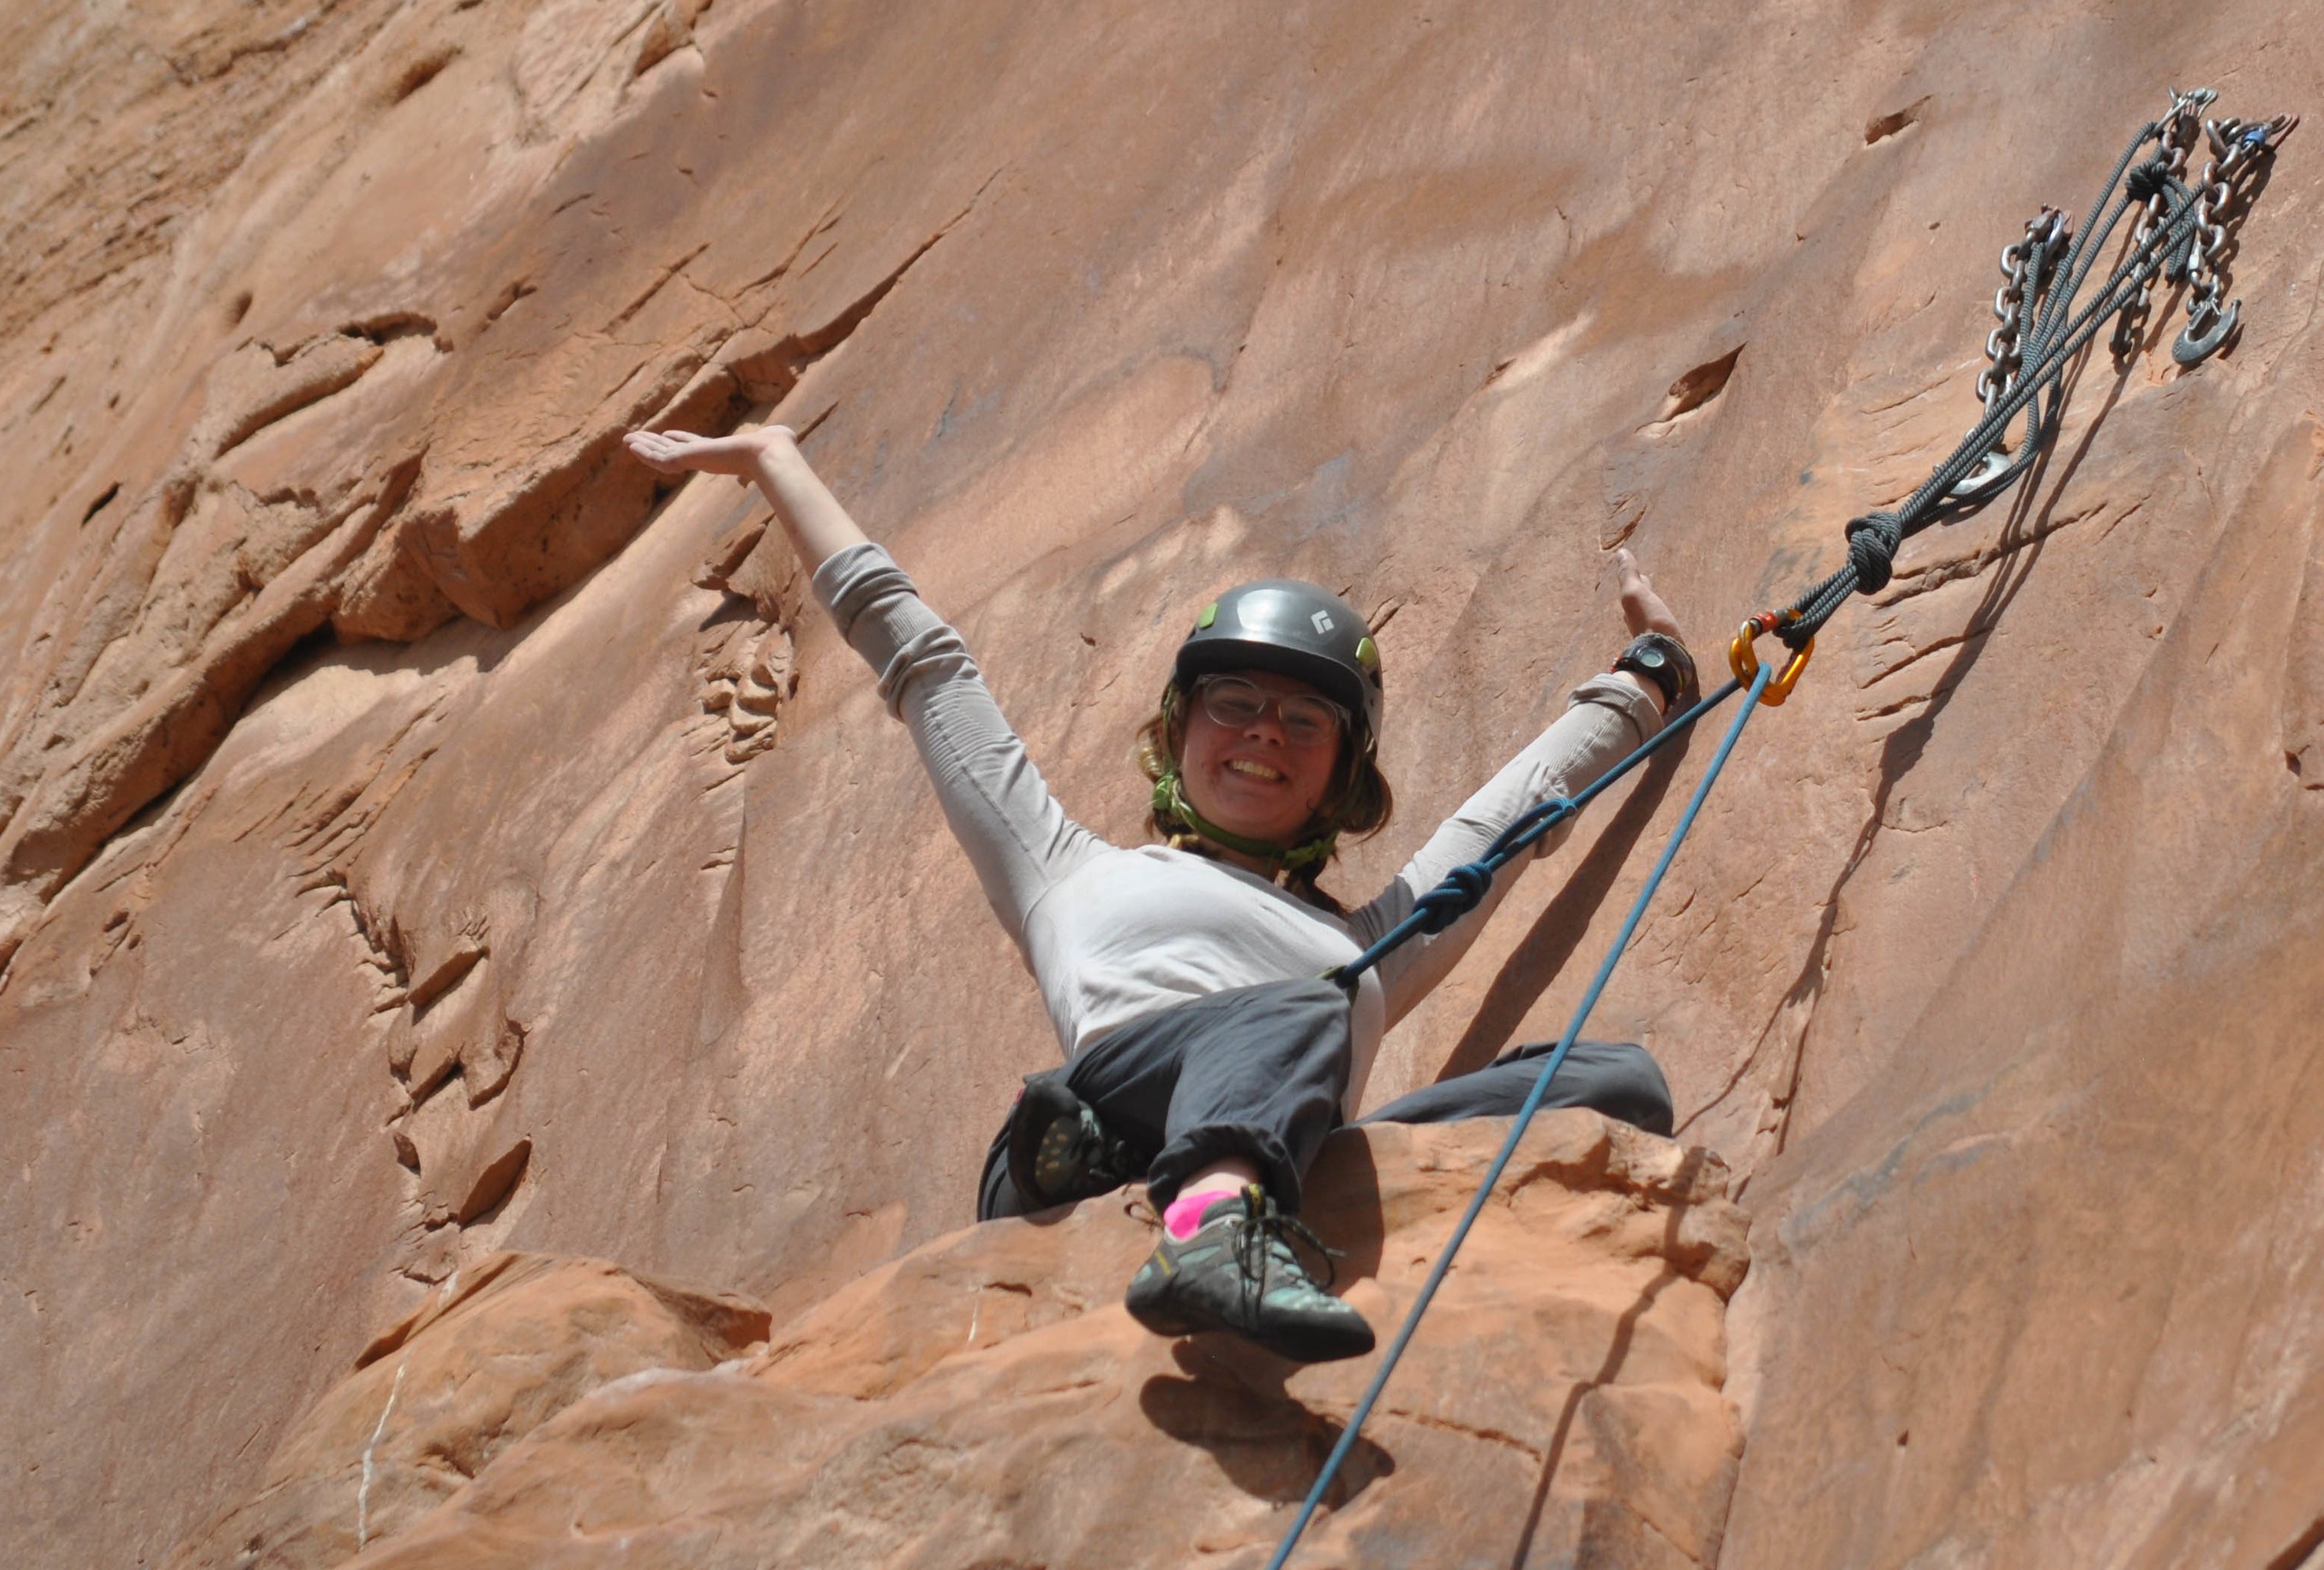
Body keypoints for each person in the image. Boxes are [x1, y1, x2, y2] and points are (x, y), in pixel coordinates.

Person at [626, 421, 1706, 1361]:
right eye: (1233, 703)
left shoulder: (1379, 940)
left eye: (1304, 721)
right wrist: (780, 465)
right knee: (1304, 1005)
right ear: (1180, 731)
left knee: (1618, 1084)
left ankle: (1229, 1203)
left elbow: (1505, 825)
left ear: (1342, 771)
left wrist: (1652, 674)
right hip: (1123, 1095)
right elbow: (928, 666)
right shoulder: (1067, 869)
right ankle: (1197, 1219)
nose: (1263, 735)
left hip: (1289, 1140)